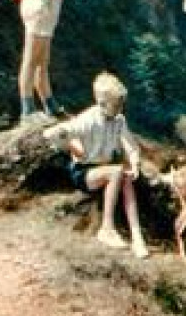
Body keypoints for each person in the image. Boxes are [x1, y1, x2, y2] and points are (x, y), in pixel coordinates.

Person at [45, 72, 149, 259]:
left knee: (126, 177)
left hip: (106, 170)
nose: (119, 108)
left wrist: (134, 162)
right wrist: (74, 148)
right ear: (102, 102)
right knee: (117, 171)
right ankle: (106, 229)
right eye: (116, 104)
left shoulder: (119, 120)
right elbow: (51, 134)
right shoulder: (88, 119)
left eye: (120, 104)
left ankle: (137, 236)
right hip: (85, 173)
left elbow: (130, 145)